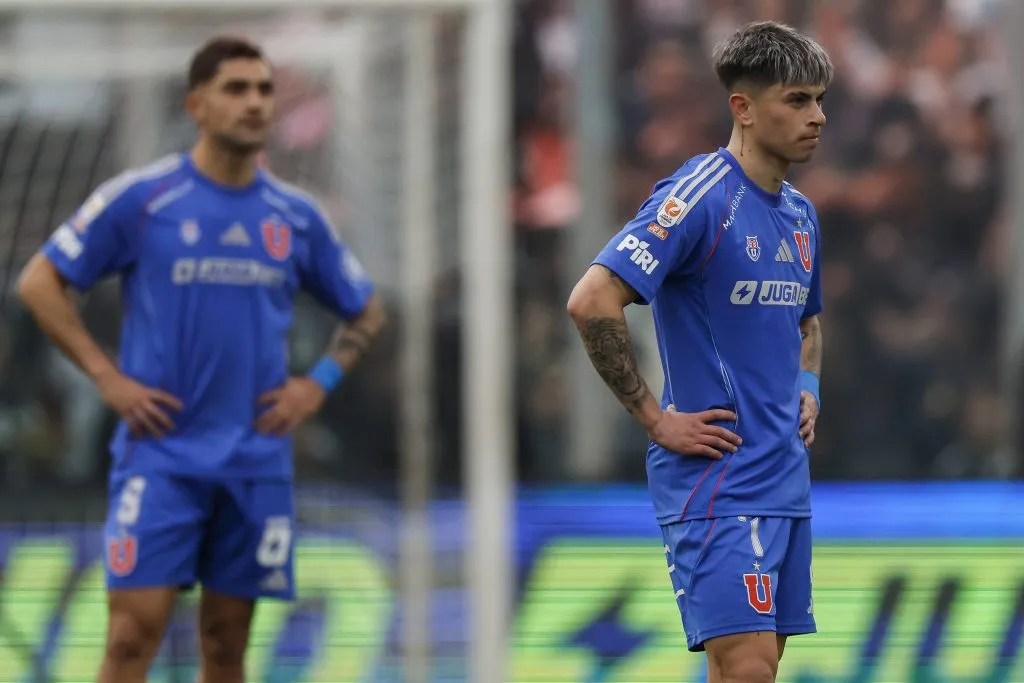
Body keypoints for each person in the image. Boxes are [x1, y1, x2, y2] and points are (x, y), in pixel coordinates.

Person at [16, 36, 385, 683]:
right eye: (236, 89)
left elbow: (367, 309)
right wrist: (107, 377)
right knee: (131, 636)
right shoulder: (143, 198)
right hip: (161, 457)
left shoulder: (295, 217)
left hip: (255, 461)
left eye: (265, 89)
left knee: (226, 647)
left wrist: (317, 384)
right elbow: (39, 281)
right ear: (196, 104)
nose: (254, 103)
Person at [567, 21, 830, 683]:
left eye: (820, 99)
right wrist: (655, 419)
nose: (818, 116)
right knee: (749, 668)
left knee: (743, 667)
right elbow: (591, 299)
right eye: (797, 100)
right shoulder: (698, 198)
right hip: (717, 480)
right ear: (742, 107)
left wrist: (810, 386)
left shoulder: (800, 214)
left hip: (782, 482)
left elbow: (810, 322)